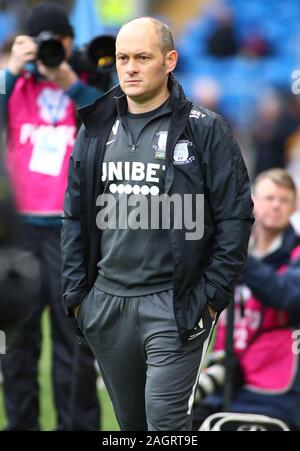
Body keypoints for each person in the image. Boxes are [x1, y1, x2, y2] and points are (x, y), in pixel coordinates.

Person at [61, 17, 254, 431]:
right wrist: (80, 296)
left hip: (174, 305)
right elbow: (75, 214)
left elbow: (235, 217)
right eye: (122, 58)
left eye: (142, 58)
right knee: (132, 426)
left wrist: (210, 297)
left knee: (165, 424)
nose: (130, 68)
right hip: (106, 305)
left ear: (169, 61)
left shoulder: (207, 130)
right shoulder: (95, 128)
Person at [0, 2, 101, 431]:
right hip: (19, 232)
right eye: (41, 43)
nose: (49, 51)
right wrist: (9, 70)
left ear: (69, 42)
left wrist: (70, 82)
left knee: (73, 344)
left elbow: (109, 121)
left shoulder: (86, 82)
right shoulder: (14, 85)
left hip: (70, 232)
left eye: (56, 42)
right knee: (17, 344)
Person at [193, 169, 300, 430]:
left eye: (284, 200)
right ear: (253, 201)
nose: (275, 205)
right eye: (269, 197)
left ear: (293, 206)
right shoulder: (231, 252)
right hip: (226, 374)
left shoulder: (295, 252)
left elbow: (288, 294)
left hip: (274, 384)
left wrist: (238, 255)